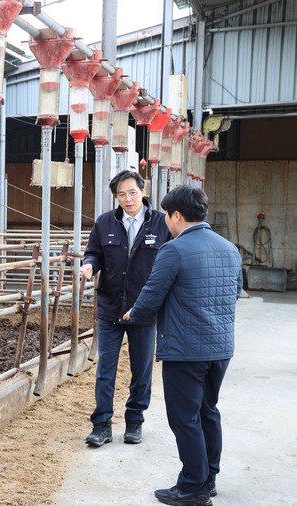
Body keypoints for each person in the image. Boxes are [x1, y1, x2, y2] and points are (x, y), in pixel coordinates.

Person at [123, 185, 242, 506]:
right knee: (208, 410)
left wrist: (134, 313)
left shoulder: (174, 249)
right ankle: (209, 477)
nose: (164, 220)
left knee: (184, 417)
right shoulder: (230, 248)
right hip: (220, 347)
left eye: (165, 214)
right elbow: (234, 292)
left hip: (186, 348)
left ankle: (192, 486)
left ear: (176, 216)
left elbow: (152, 293)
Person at [80, 170, 171, 447]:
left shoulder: (162, 223)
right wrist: (89, 265)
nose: (127, 198)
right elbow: (94, 252)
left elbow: (172, 258)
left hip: (144, 311)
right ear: (115, 197)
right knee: (105, 369)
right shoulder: (105, 221)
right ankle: (102, 425)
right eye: (121, 194)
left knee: (141, 369)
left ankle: (134, 421)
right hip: (110, 307)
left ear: (143, 191)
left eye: (132, 192)